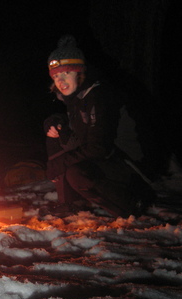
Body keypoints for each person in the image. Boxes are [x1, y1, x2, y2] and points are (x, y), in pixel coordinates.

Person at [44, 35, 155, 217]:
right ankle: (71, 203)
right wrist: (60, 124)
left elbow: (99, 147)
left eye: (66, 73)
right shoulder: (76, 99)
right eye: (56, 76)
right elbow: (80, 136)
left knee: (76, 173)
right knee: (52, 126)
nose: (61, 81)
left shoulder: (99, 95)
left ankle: (132, 204)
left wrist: (60, 163)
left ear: (79, 73)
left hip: (132, 167)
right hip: (109, 160)